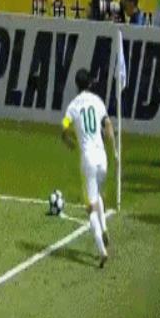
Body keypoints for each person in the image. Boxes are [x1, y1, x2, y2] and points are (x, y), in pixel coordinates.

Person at [62, 69, 117, 268]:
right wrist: (113, 147)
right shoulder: (98, 101)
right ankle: (104, 228)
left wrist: (67, 138)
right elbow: (108, 125)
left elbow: (64, 125)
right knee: (98, 196)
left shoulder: (73, 106)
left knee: (90, 206)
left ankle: (102, 250)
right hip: (102, 157)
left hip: (88, 159)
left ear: (77, 85)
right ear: (90, 83)